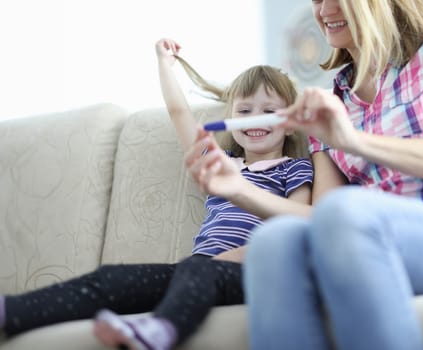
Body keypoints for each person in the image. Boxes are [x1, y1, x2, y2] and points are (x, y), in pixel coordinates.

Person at [243, 1, 423, 349]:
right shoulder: (332, 102)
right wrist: (237, 189)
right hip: (372, 243)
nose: (323, 10)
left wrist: (353, 141)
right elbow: (321, 218)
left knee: (346, 212)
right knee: (273, 243)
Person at [0, 38, 313, 350]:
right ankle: (11, 310)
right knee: (114, 279)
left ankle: (159, 331)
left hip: (255, 272)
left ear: (289, 125)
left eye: (268, 111)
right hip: (200, 269)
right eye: (244, 110)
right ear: (230, 119)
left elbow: (293, 226)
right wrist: (165, 65)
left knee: (197, 269)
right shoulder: (220, 164)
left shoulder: (294, 168)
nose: (254, 118)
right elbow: (179, 113)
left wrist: (231, 259)